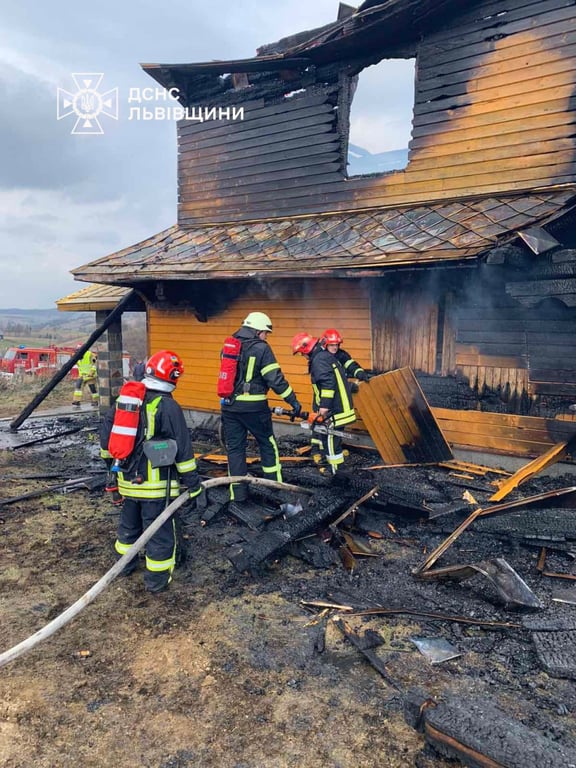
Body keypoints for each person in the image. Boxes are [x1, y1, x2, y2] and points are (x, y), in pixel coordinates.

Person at [100, 350, 205, 593]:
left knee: (129, 527)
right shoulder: (167, 406)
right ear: (172, 376)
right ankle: (156, 582)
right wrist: (194, 484)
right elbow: (184, 452)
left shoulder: (126, 402)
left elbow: (106, 441)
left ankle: (124, 567)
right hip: (156, 487)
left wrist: (112, 474)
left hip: (127, 482)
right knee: (160, 534)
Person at [220, 311, 301, 506]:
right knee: (268, 444)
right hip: (255, 408)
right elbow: (275, 379)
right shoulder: (261, 348)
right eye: (265, 332)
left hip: (230, 408)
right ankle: (275, 490)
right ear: (257, 331)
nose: (266, 336)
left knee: (236, 449)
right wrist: (294, 402)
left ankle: (237, 495)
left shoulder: (229, 346)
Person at [292, 332, 356, 474]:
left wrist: (323, 408)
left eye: (302, 354)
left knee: (332, 442)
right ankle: (334, 469)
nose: (303, 357)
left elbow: (328, 385)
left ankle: (337, 474)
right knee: (330, 439)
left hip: (335, 410)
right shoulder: (324, 357)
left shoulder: (319, 360)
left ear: (306, 349)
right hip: (341, 408)